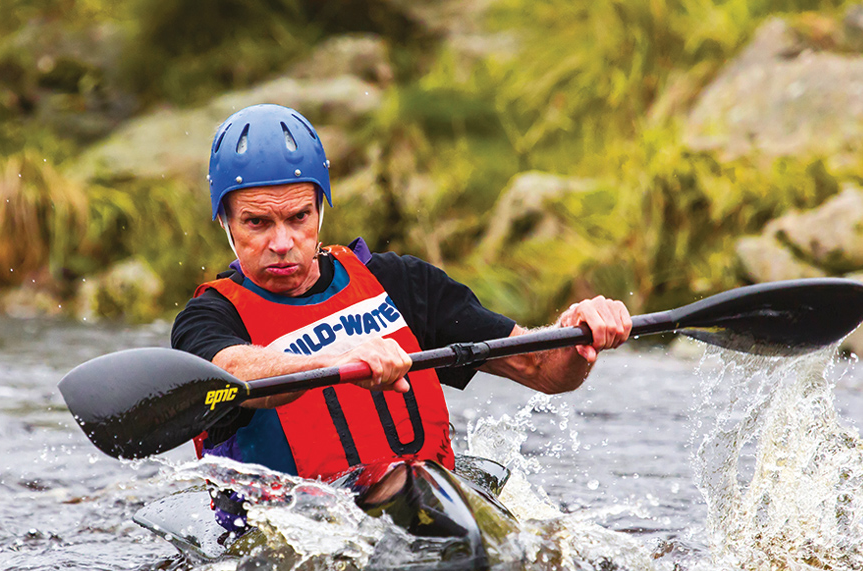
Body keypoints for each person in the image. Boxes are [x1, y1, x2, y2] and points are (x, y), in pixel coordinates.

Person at [171, 104, 632, 532]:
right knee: (405, 489)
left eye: (299, 217)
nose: (283, 242)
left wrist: (577, 337)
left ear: (321, 208)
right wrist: (339, 360)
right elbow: (230, 372)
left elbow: (544, 370)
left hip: (424, 502)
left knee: (425, 489)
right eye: (257, 223)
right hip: (296, 538)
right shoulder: (209, 317)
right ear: (225, 223)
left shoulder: (401, 284)